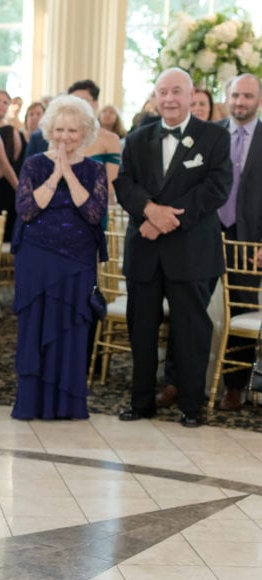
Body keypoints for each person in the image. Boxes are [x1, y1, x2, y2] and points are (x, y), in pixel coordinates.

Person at [114, 68, 232, 428]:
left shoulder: (213, 136)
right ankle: (141, 402)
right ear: (154, 95)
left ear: (190, 94)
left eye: (176, 91)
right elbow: (125, 184)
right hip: (146, 251)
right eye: (163, 91)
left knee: (191, 333)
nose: (169, 99)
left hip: (191, 250)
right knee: (142, 331)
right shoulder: (137, 138)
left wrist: (168, 219)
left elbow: (216, 187)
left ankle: (191, 407)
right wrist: (150, 212)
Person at [11, 96, 108, 420]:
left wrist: (70, 172)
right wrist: (55, 174)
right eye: (60, 129)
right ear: (50, 130)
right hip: (37, 259)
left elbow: (93, 214)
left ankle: (66, 404)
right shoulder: (34, 165)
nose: (65, 137)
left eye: (73, 131)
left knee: (70, 330)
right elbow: (26, 209)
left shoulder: (95, 170)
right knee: (35, 329)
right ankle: (31, 403)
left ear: (85, 133)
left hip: (77, 263)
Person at [215, 74, 262, 411]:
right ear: (226, 96)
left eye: (247, 96)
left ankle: (235, 386)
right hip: (208, 234)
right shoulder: (211, 134)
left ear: (258, 99)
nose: (240, 102)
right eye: (235, 95)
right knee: (193, 306)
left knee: (242, 306)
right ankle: (179, 381)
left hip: (250, 241)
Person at [0, 89, 25, 240]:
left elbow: (8, 161)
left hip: (1, 186)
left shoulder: (10, 131)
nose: (1, 105)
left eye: (5, 103)